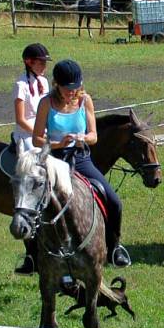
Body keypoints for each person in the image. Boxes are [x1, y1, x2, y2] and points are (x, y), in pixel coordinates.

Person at [33, 59, 131, 267]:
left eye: (75, 88)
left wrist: (82, 138)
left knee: (114, 201)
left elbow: (94, 135)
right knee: (33, 202)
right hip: (54, 159)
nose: (71, 92)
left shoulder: (85, 100)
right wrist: (58, 143)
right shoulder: (46, 103)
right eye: (67, 89)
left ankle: (115, 247)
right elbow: (36, 139)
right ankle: (32, 255)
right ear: (56, 84)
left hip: (80, 157)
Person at [12, 43, 51, 275]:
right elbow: (20, 118)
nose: (44, 65)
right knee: (29, 171)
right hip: (26, 136)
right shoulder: (20, 86)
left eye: (45, 62)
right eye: (40, 62)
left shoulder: (44, 83)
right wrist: (39, 133)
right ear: (29, 62)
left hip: (42, 132)